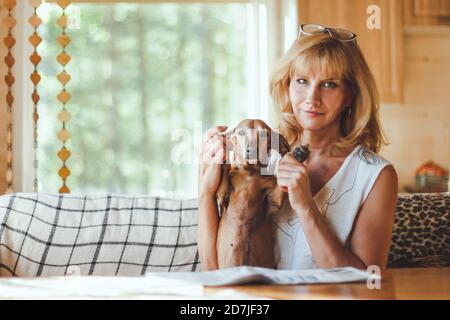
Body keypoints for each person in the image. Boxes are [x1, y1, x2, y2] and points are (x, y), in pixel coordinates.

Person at [197, 24, 398, 272]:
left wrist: (306, 206)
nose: (311, 98)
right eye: (302, 81)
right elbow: (214, 270)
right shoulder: (259, 157)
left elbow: (366, 281)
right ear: (287, 85)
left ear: (350, 95)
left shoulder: (375, 175)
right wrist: (206, 191)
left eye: (329, 84)